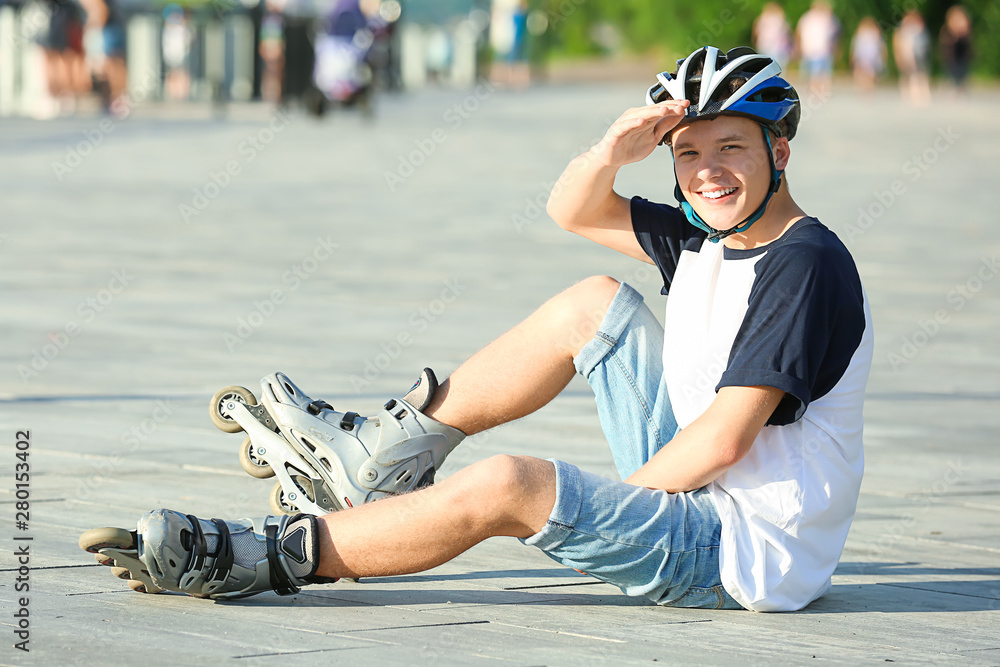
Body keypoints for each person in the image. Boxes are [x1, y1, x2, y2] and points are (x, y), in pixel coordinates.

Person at [81, 46, 873, 613]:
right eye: (689, 151)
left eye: (732, 147)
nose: (706, 171)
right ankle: (374, 466)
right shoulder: (709, 237)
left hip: (743, 554)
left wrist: (601, 509)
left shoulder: (802, 264)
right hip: (704, 496)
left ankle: (275, 554)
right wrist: (612, 149)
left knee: (512, 485)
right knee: (592, 302)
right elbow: (573, 209)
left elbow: (725, 440)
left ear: (781, 149)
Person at [795, 0, 840, 97]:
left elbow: (834, 35)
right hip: (814, 49)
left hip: (819, 50)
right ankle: (818, 91)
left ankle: (818, 90)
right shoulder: (815, 19)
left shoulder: (822, 18)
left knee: (819, 71)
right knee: (817, 72)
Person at [892, 10, 931, 106]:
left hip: (919, 56)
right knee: (909, 76)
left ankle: (922, 95)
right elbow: (900, 45)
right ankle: (909, 96)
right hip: (908, 56)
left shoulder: (919, 30)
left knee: (920, 75)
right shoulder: (903, 32)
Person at [939, 5, 973, 94]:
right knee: (953, 73)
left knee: (962, 73)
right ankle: (954, 89)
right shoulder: (946, 29)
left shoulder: (965, 30)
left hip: (962, 55)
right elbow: (945, 42)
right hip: (951, 57)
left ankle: (960, 89)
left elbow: (968, 41)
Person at [850, 17, 886, 93]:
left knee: (869, 75)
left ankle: (866, 90)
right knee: (866, 75)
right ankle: (867, 90)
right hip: (865, 59)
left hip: (870, 59)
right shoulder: (862, 35)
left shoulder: (871, 34)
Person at [753, 3, 792, 69]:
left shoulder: (762, 18)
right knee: (778, 66)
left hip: (765, 44)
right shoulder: (779, 19)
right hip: (777, 46)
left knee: (764, 66)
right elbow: (787, 31)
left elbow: (756, 31)